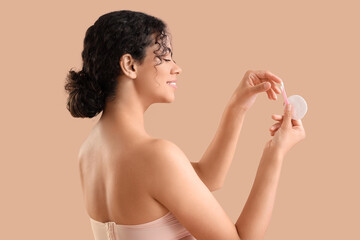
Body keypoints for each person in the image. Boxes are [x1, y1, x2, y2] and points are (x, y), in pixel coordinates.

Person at [64, 10, 306, 240]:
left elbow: (206, 179)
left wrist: (237, 106)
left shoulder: (88, 151)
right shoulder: (156, 156)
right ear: (130, 65)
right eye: (165, 57)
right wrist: (275, 152)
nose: (176, 68)